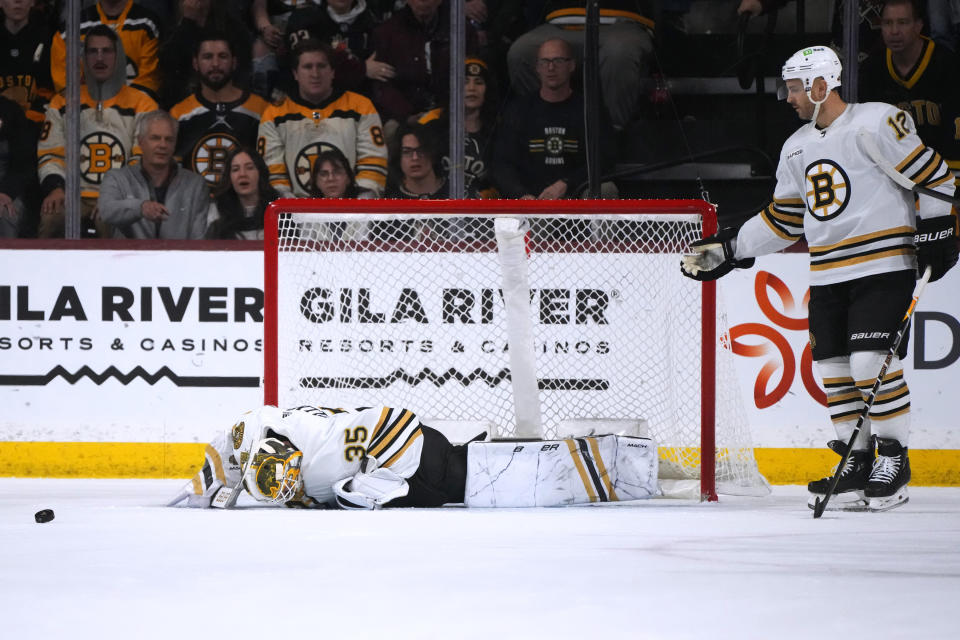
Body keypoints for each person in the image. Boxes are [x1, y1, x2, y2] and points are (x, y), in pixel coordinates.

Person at [680, 46, 959, 512]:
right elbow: (785, 219)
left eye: (794, 87)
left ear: (820, 85)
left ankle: (895, 461)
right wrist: (733, 248)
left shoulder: (876, 122)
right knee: (833, 371)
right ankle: (856, 459)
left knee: (871, 363)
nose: (787, 97)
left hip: (883, 264)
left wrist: (936, 227)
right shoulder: (795, 147)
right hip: (828, 271)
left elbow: (934, 176)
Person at [168, 404, 658, 509]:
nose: (292, 489)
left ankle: (620, 462)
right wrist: (194, 494)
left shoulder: (321, 443)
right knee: (480, 477)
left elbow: (398, 421)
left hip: (423, 462)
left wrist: (373, 488)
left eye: (289, 479)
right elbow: (222, 451)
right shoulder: (258, 432)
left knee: (489, 482)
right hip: (412, 473)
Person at [37, 25, 159, 238]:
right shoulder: (63, 102)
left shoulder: (143, 104)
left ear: (118, 55)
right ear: (84, 57)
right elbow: (51, 154)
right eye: (92, 51)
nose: (99, 57)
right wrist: (56, 188)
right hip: (72, 195)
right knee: (51, 216)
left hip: (122, 195)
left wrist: (116, 197)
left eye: (107, 51)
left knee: (111, 219)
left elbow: (142, 159)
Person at [258, 39, 388, 197]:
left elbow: (373, 160)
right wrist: (289, 207)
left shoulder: (361, 107)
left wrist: (360, 203)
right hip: (298, 212)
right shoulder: (274, 114)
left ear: (333, 71)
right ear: (295, 74)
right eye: (307, 67)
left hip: (352, 209)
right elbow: (272, 170)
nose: (315, 74)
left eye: (321, 66)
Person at [491, 38, 616, 200]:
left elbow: (604, 159)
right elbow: (502, 163)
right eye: (545, 61)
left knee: (606, 189)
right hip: (534, 202)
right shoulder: (519, 109)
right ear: (537, 68)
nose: (551, 67)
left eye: (558, 60)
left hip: (576, 198)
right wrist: (521, 195)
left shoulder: (590, 109)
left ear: (571, 65)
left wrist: (566, 183)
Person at [506, 0, 655, 129]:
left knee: (618, 52)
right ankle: (549, 126)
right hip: (561, 22)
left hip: (623, 21)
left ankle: (611, 134)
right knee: (522, 52)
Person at [859, 0, 960, 189]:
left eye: (903, 22)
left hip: (941, 179)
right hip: (892, 179)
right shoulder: (871, 70)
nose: (894, 31)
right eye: (888, 23)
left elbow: (955, 140)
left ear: (919, 26)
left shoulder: (948, 65)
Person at [169, 33, 268, 189]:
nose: (215, 63)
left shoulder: (260, 109)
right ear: (195, 63)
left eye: (222, 56)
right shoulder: (179, 113)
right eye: (207, 57)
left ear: (234, 62)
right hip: (196, 206)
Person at [369, 0, 479, 136]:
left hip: (451, 113)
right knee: (390, 131)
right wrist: (407, 116)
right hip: (405, 115)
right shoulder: (386, 32)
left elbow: (471, 77)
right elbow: (383, 86)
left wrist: (445, 112)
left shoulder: (462, 30)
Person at [98, 110, 210, 239]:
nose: (163, 145)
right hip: (129, 258)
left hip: (178, 258)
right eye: (155, 138)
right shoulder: (117, 178)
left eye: (169, 139)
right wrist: (141, 208)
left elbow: (199, 239)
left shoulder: (195, 184)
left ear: (175, 144)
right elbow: (106, 210)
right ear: (140, 142)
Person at [418, 56, 499, 198]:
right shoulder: (432, 123)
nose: (472, 88)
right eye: (465, 82)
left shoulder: (497, 128)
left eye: (478, 82)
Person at [49, 0, 163, 97]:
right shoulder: (70, 30)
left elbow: (149, 81)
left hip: (133, 115)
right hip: (86, 115)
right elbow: (66, 86)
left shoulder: (147, 24)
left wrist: (119, 108)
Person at [158, 0, 254, 109]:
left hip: (225, 98)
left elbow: (242, 71)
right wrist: (187, 22)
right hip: (183, 100)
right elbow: (168, 64)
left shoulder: (234, 28)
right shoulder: (170, 22)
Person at [283, 0, 387, 95]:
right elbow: (308, 66)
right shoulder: (304, 17)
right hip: (312, 102)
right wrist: (362, 70)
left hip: (360, 100)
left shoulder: (373, 19)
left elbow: (381, 68)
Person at [0, 0, 54, 131]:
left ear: (32, 2)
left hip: (36, 122)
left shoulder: (48, 39)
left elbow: (49, 88)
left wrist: (31, 118)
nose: (18, 1)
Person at [206, 145, 279, 239]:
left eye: (249, 168)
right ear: (229, 177)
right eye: (235, 169)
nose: (242, 174)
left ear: (260, 173)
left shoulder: (280, 207)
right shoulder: (216, 211)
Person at [0, 94, 35, 238]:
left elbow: (24, 162)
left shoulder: (9, 110)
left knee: (7, 214)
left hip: (6, 188)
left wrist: (6, 192)